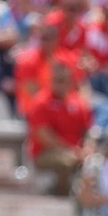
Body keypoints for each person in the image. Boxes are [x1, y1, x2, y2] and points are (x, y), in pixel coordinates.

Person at [26, 62, 94, 195]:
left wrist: (89, 148)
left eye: (64, 80)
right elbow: (44, 136)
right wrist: (73, 151)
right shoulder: (41, 102)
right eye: (56, 80)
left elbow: (88, 131)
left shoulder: (78, 102)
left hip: (76, 150)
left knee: (96, 160)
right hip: (46, 152)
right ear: (50, 81)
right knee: (67, 161)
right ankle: (61, 194)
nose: (60, 84)